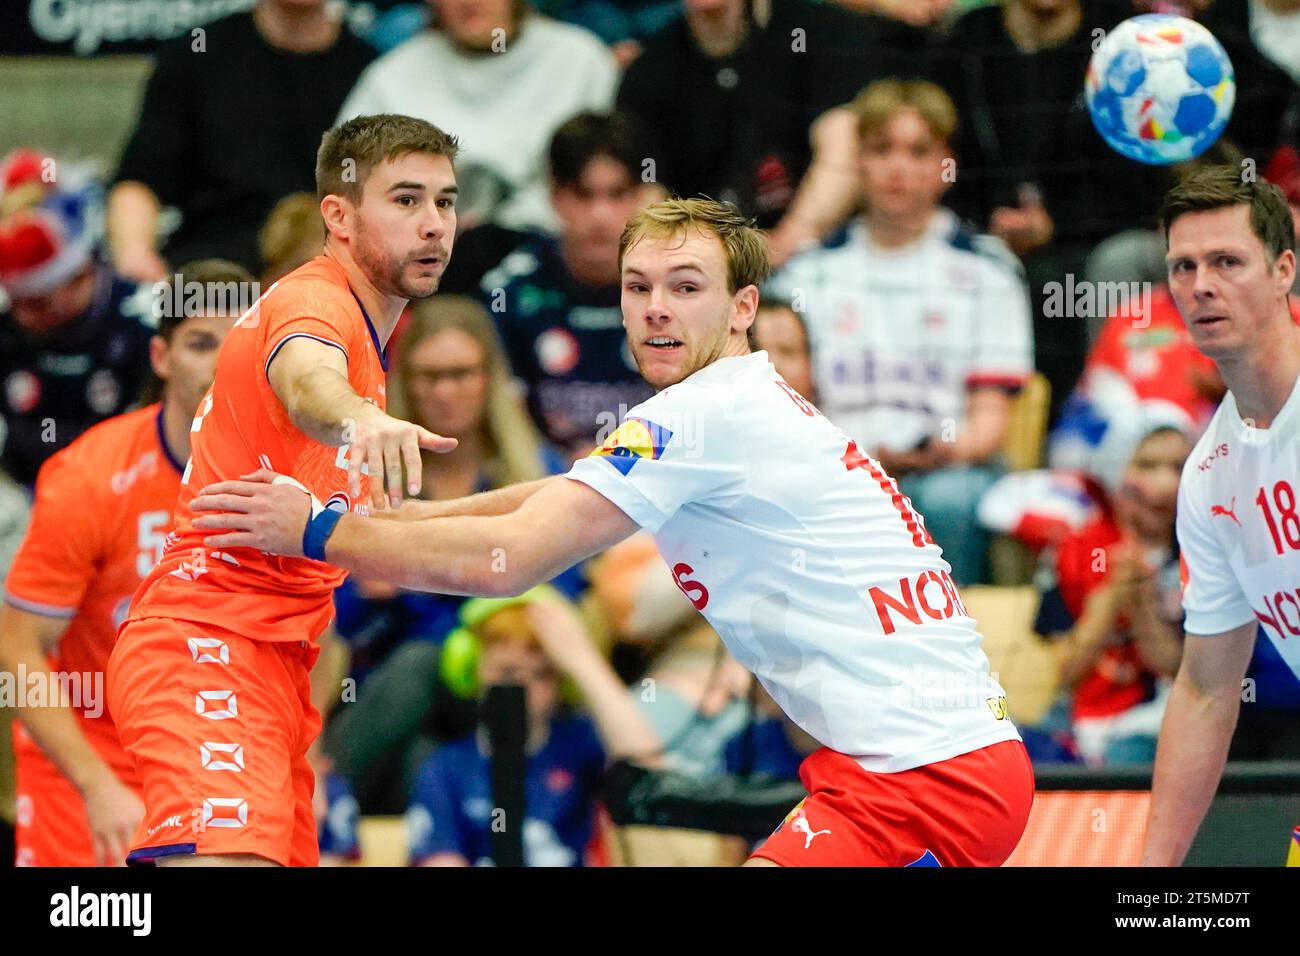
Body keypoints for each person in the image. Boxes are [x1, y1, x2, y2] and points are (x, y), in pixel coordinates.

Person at [189, 197, 1035, 867]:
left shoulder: (698, 416)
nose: (656, 311)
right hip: (929, 767)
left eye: (686, 288)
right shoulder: (734, 405)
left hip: (925, 779)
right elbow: (557, 495)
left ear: (744, 306)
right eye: (638, 287)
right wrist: (407, 519)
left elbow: (510, 559)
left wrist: (317, 530)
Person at [105, 114, 461, 867]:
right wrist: (360, 416)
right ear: (338, 214)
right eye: (405, 201)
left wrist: (566, 501)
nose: (433, 225)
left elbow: (394, 533)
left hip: (276, 669)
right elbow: (308, 382)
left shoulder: (367, 337)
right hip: (207, 647)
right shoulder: (317, 305)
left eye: (446, 202)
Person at [0, 260, 246, 866]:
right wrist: (96, 787)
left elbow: (321, 638)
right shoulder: (90, 476)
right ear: (160, 358)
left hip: (226, 758)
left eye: (239, 344)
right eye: (200, 343)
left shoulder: (293, 473)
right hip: (94, 757)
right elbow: (16, 649)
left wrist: (304, 763)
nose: (220, 362)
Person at [324, 295, 586, 812]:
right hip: (392, 709)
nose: (445, 392)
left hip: (506, 685)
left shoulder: (534, 469)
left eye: (462, 373)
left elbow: (556, 600)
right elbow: (336, 620)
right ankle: (326, 805)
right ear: (405, 382)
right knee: (422, 751)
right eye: (429, 376)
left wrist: (415, 585)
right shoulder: (371, 480)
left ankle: (324, 799)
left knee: (426, 662)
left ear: (490, 378)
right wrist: (378, 598)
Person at [768, 79, 1035, 584]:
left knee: (950, 502)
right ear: (858, 163)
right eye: (880, 149)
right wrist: (860, 458)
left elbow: (988, 423)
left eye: (917, 151)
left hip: (950, 468)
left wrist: (936, 451)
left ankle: (952, 646)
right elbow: (784, 408)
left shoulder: (988, 270)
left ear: (945, 165)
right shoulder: (805, 274)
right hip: (835, 463)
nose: (897, 167)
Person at [1139, 167, 1300, 865]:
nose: (1201, 284)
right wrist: (1153, 875)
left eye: (1227, 261)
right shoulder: (1207, 478)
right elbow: (1206, 688)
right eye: (1184, 266)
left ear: (1284, 270)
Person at [108, 0, 375, 279]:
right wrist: (135, 254)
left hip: (328, 277)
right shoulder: (197, 54)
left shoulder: (371, 72)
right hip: (212, 278)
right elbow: (140, 180)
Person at [406, 588, 660, 866]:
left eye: (541, 675)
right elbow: (441, 860)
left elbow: (648, 770)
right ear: (471, 670)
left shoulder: (579, 747)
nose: (523, 689)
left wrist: (582, 661)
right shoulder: (445, 768)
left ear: (561, 684)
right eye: (507, 671)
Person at [338, 0, 618, 235]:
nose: (469, 2)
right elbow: (346, 190)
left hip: (558, 257)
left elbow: (618, 188)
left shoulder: (580, 61)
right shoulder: (391, 78)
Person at [478, 112, 657, 459]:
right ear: (555, 196)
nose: (600, 215)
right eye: (583, 194)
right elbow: (499, 417)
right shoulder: (509, 292)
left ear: (643, 196)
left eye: (617, 194)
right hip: (540, 478)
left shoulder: (680, 291)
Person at [1033, 421, 1190, 765]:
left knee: (1128, 757)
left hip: (1160, 715)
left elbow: (1186, 674)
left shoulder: (1203, 552)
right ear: (1115, 471)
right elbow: (1066, 674)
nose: (1167, 483)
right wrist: (1114, 593)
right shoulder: (1073, 549)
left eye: (1180, 467)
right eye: (1148, 466)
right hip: (1075, 716)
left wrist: (1143, 602)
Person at [0, 149, 153, 488]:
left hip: (124, 489)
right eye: (15, 302)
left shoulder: (144, 325)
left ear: (80, 274)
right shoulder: (6, 327)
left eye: (38, 304)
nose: (22, 316)